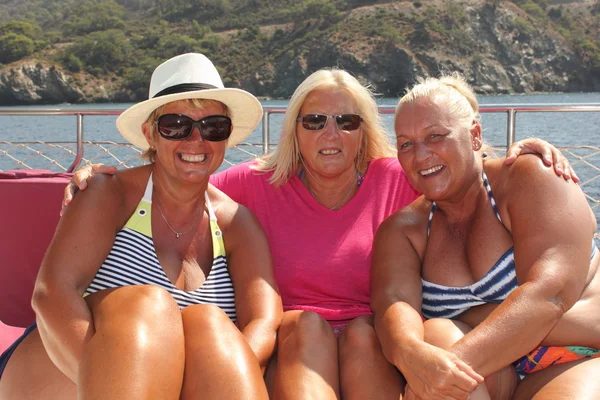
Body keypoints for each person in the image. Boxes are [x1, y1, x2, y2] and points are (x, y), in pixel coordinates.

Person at [60, 68, 577, 399]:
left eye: (346, 121)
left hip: (374, 346)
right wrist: (98, 178)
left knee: (361, 332)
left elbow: (458, 170)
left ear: (365, 133)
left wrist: (523, 154)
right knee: (304, 325)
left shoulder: (402, 179)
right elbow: (182, 177)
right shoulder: (250, 187)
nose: (330, 134)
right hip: (293, 343)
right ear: (295, 130)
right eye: (314, 121)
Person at [0, 53, 282, 399]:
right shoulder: (109, 193)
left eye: (213, 126)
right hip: (65, 368)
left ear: (226, 136)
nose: (196, 140)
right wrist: (111, 378)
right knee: (146, 306)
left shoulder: (238, 223)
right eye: (176, 125)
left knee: (210, 326)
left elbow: (264, 326)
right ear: (151, 134)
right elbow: (52, 295)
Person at [371, 73, 600, 400]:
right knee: (433, 334)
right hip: (492, 375)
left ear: (475, 135)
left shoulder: (528, 178)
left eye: (435, 136)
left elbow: (549, 294)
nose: (420, 155)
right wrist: (411, 356)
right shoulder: (403, 230)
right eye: (406, 144)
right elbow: (392, 308)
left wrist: (441, 373)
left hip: (576, 355)